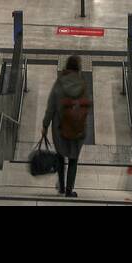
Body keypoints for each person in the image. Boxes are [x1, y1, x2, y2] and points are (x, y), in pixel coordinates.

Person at [42, 55, 89, 197]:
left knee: (60, 156)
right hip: (77, 129)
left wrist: (45, 125)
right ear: (78, 68)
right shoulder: (82, 84)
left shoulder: (60, 83)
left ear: (67, 67)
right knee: (74, 159)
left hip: (60, 128)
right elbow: (87, 106)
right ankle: (69, 190)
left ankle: (61, 186)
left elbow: (51, 106)